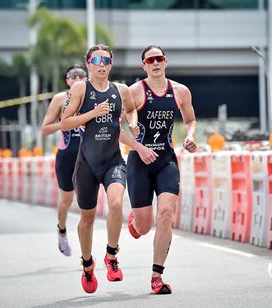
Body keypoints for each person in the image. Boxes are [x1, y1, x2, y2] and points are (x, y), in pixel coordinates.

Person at [61, 44, 141, 294]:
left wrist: (133, 124)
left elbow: (130, 110)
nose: (101, 64)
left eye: (106, 60)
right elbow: (65, 123)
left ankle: (111, 255)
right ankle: (87, 264)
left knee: (116, 204)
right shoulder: (80, 88)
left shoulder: (121, 89)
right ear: (88, 64)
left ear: (111, 64)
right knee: (87, 219)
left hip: (113, 161)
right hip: (86, 164)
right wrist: (93, 113)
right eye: (96, 60)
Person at [127, 45, 197, 295]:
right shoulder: (134, 92)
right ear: (144, 65)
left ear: (166, 62)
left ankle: (157, 277)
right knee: (144, 227)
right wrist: (135, 136)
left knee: (166, 212)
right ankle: (137, 220)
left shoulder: (180, 91)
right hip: (139, 162)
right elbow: (125, 122)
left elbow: (190, 120)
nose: (155, 62)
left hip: (166, 159)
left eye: (159, 58)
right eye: (150, 60)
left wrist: (190, 136)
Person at [41, 65, 88, 257]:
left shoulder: (93, 97)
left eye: (81, 75)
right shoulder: (61, 99)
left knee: (87, 203)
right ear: (67, 81)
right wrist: (67, 122)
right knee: (67, 200)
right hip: (67, 156)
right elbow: (44, 130)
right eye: (72, 76)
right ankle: (61, 230)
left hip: (88, 156)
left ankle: (86, 251)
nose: (76, 78)